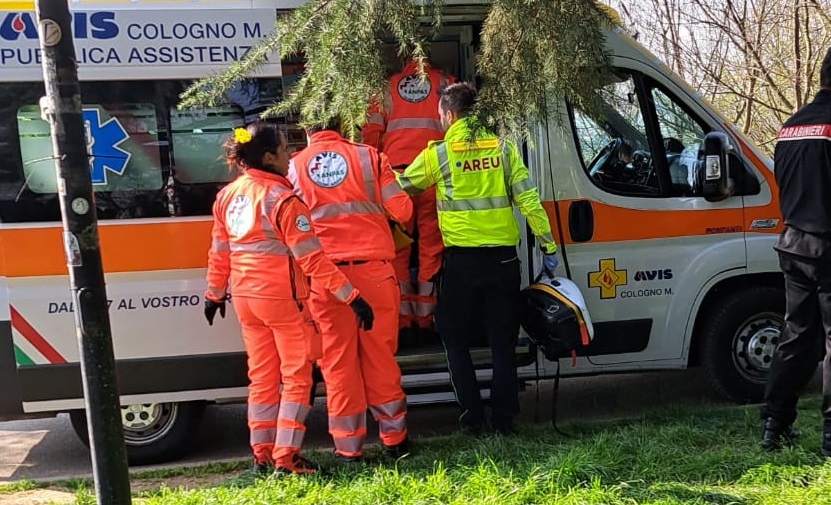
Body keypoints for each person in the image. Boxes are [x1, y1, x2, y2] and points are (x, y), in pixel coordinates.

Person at [204, 122, 375, 475]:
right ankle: (287, 457)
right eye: (284, 150)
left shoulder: (228, 195)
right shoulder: (283, 200)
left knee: (262, 378)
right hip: (282, 298)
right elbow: (312, 258)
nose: (289, 156)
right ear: (268, 158)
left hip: (246, 300)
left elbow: (219, 251)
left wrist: (214, 293)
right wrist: (351, 295)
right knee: (297, 378)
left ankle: (261, 455)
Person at [397, 82, 558, 436]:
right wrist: (548, 246)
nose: (440, 121)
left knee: (453, 337)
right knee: (502, 342)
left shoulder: (440, 154)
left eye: (440, 115)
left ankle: (472, 418)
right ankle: (503, 421)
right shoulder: (503, 149)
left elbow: (400, 187)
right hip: (503, 262)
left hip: (462, 263)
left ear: (451, 114)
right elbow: (529, 200)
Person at [288, 118, 414, 461]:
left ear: (306, 129)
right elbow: (402, 209)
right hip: (374, 275)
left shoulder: (294, 168)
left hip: (326, 280)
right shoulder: (370, 158)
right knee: (380, 359)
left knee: (338, 365)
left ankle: (348, 449)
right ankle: (395, 442)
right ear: (343, 123)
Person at [761, 46, 831, 459]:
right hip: (828, 243)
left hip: (794, 243)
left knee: (797, 335)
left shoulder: (791, 125)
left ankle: (775, 423)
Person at [363, 57, 456, 342]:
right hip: (433, 176)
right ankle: (425, 317)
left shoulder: (385, 89)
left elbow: (371, 136)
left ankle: (403, 318)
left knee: (398, 250)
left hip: (396, 181)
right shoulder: (445, 82)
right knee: (431, 247)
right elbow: (456, 129)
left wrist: (374, 178)